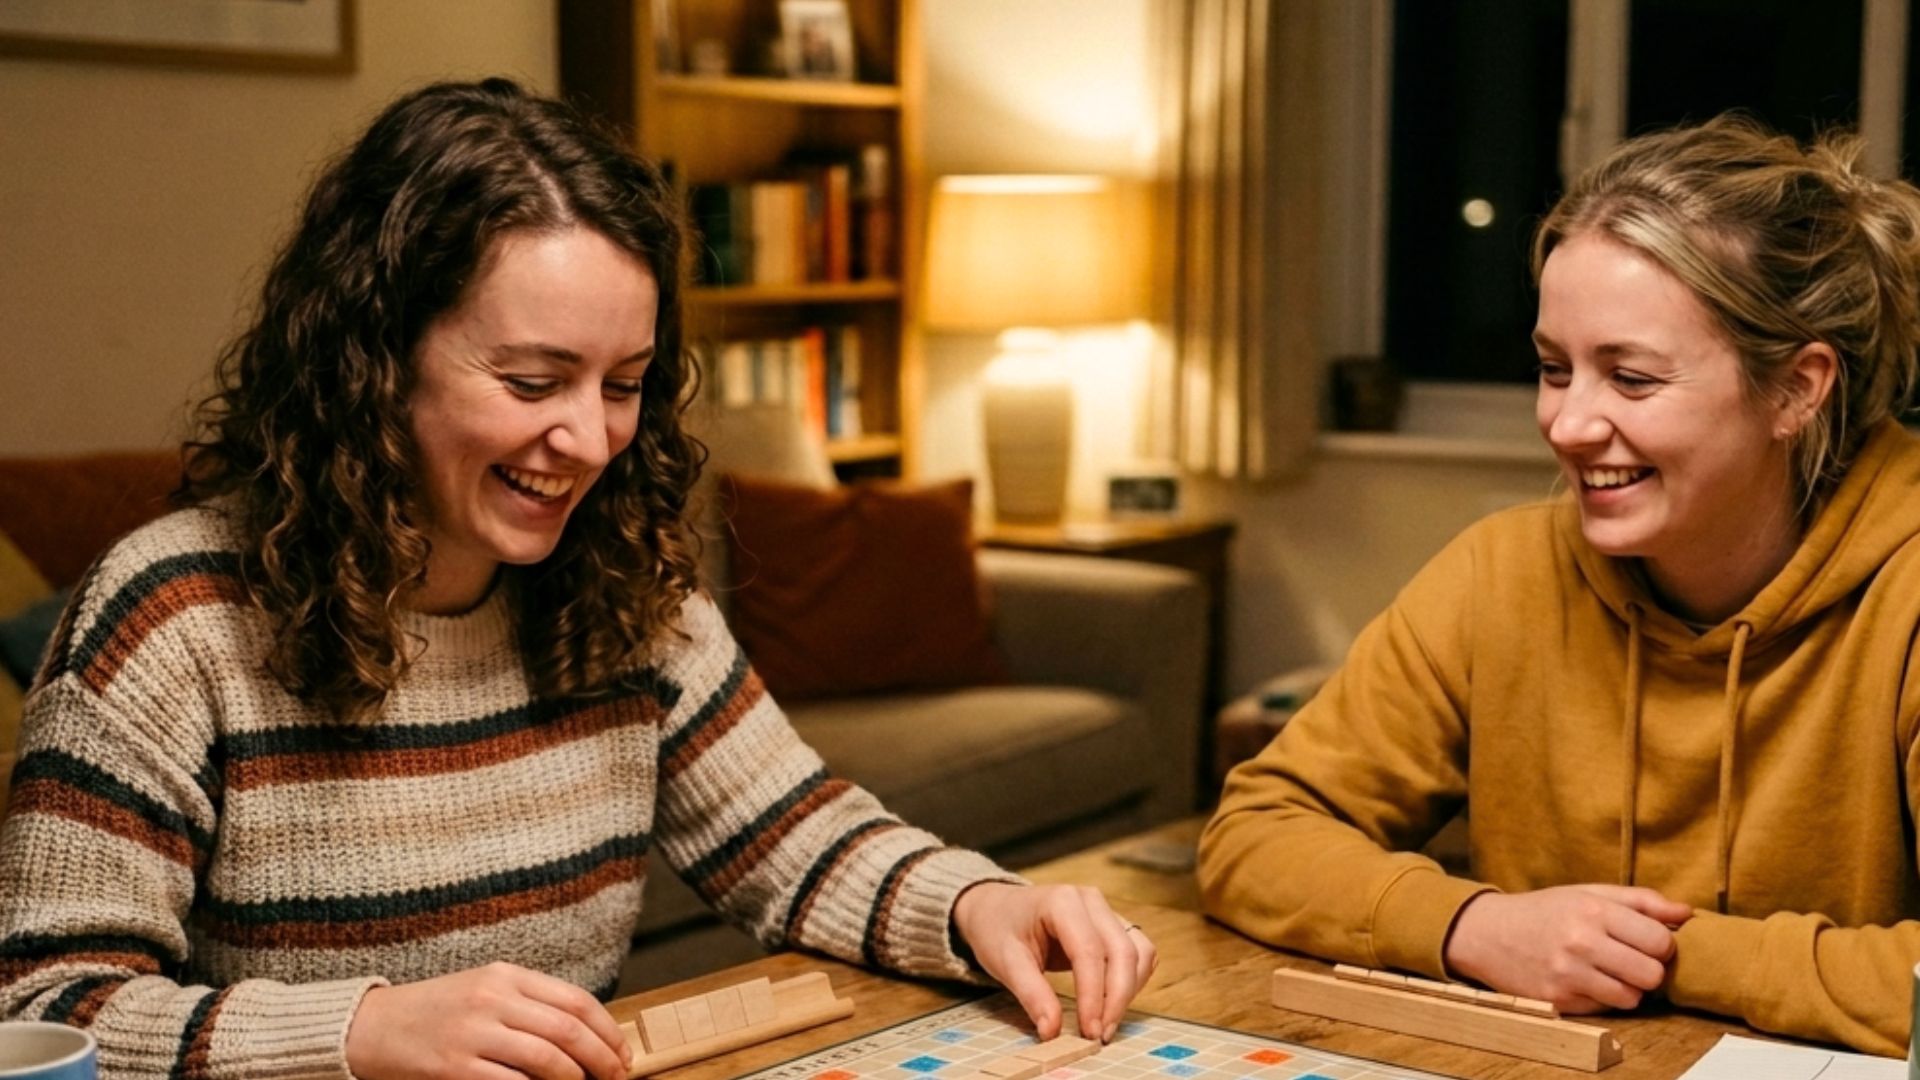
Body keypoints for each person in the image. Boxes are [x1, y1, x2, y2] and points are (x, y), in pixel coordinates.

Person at [0, 79, 1155, 1080]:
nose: (592, 440)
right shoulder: (173, 619)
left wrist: (979, 902)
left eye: (623, 383)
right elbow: (44, 1012)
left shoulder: (625, 588)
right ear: (375, 359)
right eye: (533, 380)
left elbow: (795, 839)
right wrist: (360, 1033)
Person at [1199, 114, 1920, 1057]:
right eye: (1553, 369)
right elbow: (1254, 834)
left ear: (1797, 388)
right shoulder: (1498, 574)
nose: (1569, 426)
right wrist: (1475, 927)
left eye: (1632, 378)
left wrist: (1658, 955)